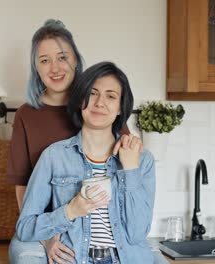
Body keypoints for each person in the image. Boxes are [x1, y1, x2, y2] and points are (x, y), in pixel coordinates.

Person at [7, 20, 134, 264]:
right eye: (44, 60)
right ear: (36, 68)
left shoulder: (98, 108)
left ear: (76, 60)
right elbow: (22, 186)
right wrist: (47, 236)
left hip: (99, 227)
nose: (54, 68)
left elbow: (127, 169)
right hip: (46, 226)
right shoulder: (26, 115)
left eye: (62, 57)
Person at [16, 61, 157, 264]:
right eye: (92, 93)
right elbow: (25, 228)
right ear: (80, 99)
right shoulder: (54, 157)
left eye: (111, 96)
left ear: (119, 108)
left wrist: (130, 169)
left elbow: (137, 234)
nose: (99, 102)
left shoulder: (142, 161)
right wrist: (70, 211)